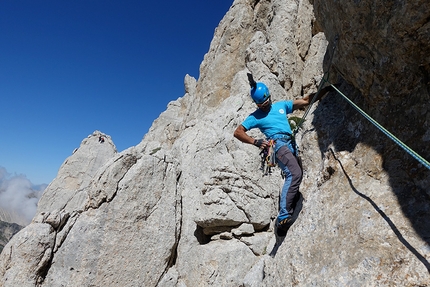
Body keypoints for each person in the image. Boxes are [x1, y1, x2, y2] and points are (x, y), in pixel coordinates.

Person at [234, 77, 332, 234]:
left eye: (266, 102)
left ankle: (288, 210)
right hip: (278, 145)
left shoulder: (281, 106)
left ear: (270, 97)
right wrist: (255, 142)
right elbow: (238, 132)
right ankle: (283, 218)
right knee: (294, 174)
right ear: (257, 104)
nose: (265, 105)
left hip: (290, 144)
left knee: (294, 174)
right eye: (261, 104)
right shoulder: (255, 116)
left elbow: (306, 101)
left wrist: (325, 89)